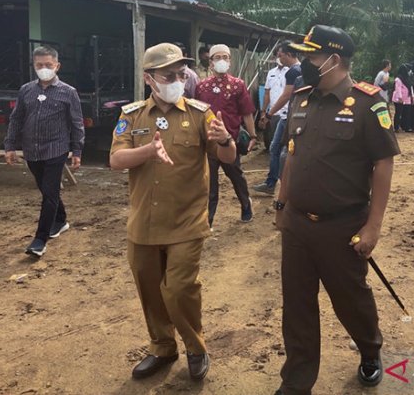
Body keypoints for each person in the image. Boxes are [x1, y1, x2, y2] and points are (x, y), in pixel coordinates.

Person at [273, 25, 400, 394]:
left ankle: (370, 348)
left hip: (342, 226)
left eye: (311, 57)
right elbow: (292, 157)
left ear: (334, 59)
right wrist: (282, 203)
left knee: (350, 300)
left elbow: (383, 164)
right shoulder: (302, 98)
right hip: (298, 223)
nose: (305, 63)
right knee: (296, 305)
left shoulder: (367, 103)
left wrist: (373, 227)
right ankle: (297, 382)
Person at [110, 42, 236, 381]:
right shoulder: (132, 115)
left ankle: (195, 347)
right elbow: (116, 160)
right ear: (150, 79)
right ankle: (162, 347)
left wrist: (225, 140)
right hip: (144, 223)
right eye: (169, 74)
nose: (178, 79)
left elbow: (228, 158)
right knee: (149, 290)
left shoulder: (200, 113)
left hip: (187, 221)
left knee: (179, 288)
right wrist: (147, 152)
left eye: (181, 73)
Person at [4, 46, 84, 257]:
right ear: (34, 66)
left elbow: (77, 124)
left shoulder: (68, 92)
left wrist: (77, 150)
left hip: (56, 149)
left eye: (48, 65)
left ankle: (40, 240)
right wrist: (10, 145)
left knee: (49, 193)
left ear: (57, 66)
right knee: (47, 190)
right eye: (39, 65)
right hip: (32, 150)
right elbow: (16, 119)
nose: (44, 69)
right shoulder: (26, 90)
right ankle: (61, 220)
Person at [195, 44, 257, 225]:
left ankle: (246, 205)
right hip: (208, 143)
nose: (221, 61)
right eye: (217, 57)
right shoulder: (201, 87)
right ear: (211, 62)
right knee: (210, 184)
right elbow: (197, 114)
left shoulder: (238, 85)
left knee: (237, 176)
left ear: (229, 61)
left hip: (230, 141)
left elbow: (246, 112)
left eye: (225, 57)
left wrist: (253, 136)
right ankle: (209, 220)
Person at [254, 41, 302, 195]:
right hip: (287, 116)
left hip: (288, 117)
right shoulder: (300, 70)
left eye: (281, 55)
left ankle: (284, 187)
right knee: (277, 149)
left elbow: (286, 96)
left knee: (283, 152)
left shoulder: (293, 72)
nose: (279, 58)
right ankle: (274, 183)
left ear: (289, 54)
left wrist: (268, 114)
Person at [259, 53, 287, 147]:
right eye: (277, 56)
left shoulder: (291, 71)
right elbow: (267, 93)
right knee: (274, 142)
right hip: (273, 113)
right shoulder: (271, 73)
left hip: (287, 112)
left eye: (281, 55)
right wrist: (263, 111)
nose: (279, 58)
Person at [391, 63, 414, 132]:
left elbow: (411, 88)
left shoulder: (408, 78)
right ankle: (396, 127)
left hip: (407, 98)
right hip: (398, 99)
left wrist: (412, 96)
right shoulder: (398, 79)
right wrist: (400, 98)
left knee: (407, 113)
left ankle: (406, 127)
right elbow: (398, 89)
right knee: (398, 113)